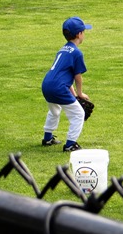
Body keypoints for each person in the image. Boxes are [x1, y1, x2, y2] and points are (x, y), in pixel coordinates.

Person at [41, 17, 92, 152]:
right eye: (83, 32)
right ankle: (70, 144)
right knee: (78, 114)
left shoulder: (63, 49)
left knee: (54, 110)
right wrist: (80, 93)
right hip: (58, 88)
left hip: (47, 85)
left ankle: (47, 138)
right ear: (79, 34)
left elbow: (64, 76)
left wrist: (74, 96)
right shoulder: (76, 53)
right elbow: (77, 76)